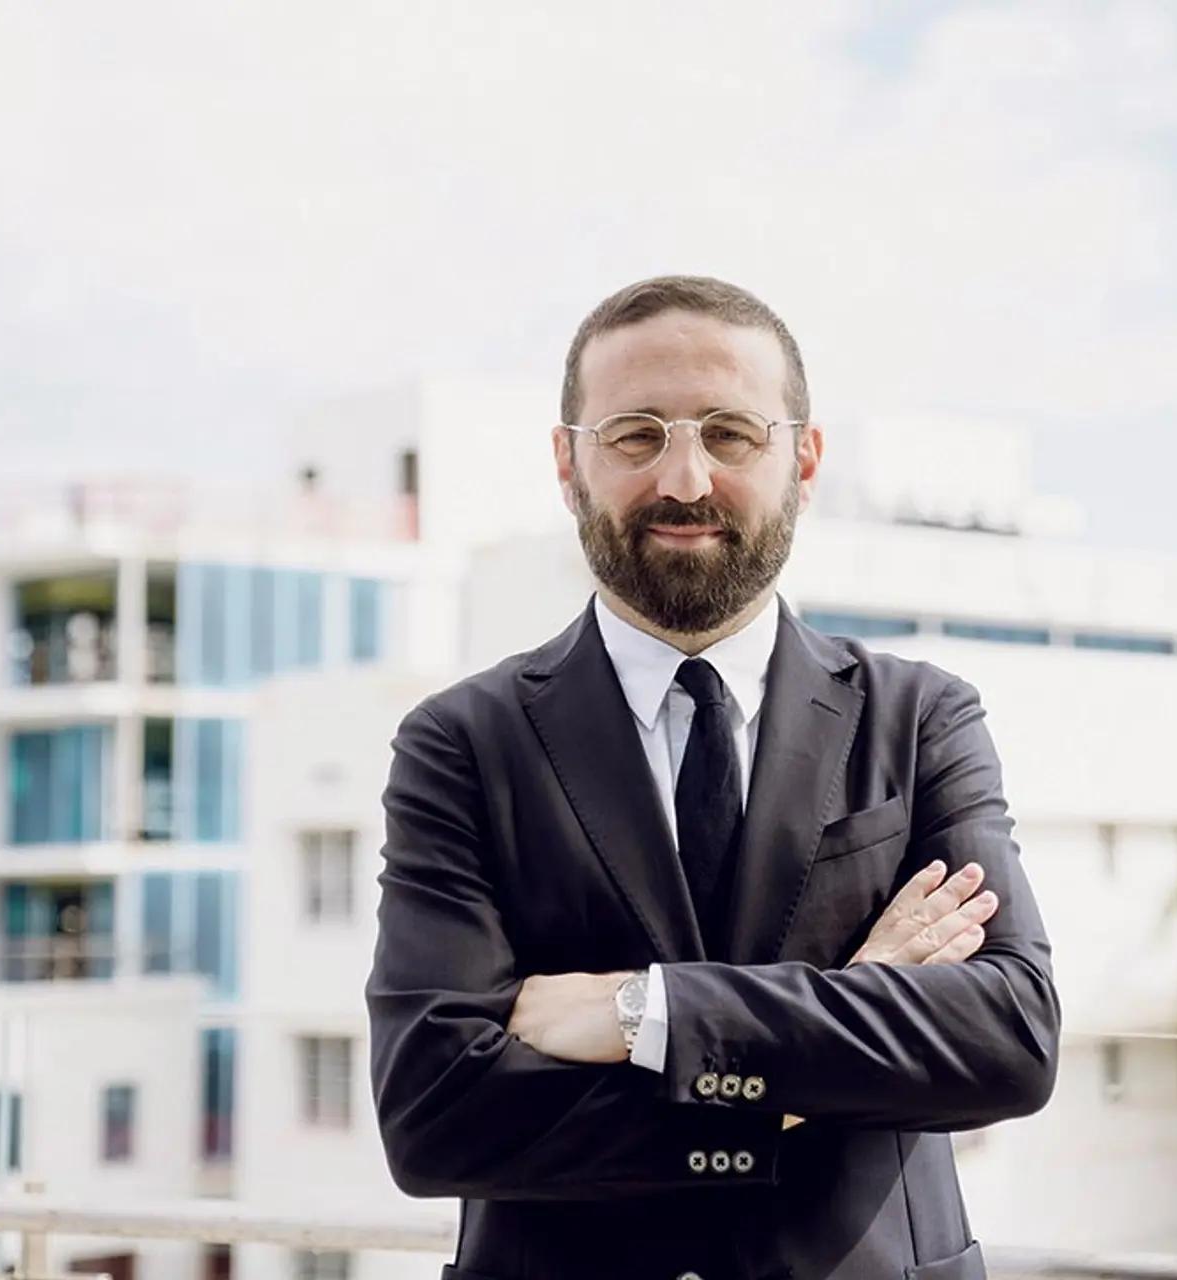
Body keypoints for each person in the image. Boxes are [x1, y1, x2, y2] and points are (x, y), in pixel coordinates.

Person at [368, 275, 1060, 1280]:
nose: (685, 480)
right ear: (567, 463)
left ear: (803, 460)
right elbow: (435, 1116)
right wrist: (843, 1024)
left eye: (730, 434)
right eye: (635, 435)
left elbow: (1007, 1039)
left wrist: (646, 1013)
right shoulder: (460, 744)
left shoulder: (920, 719)